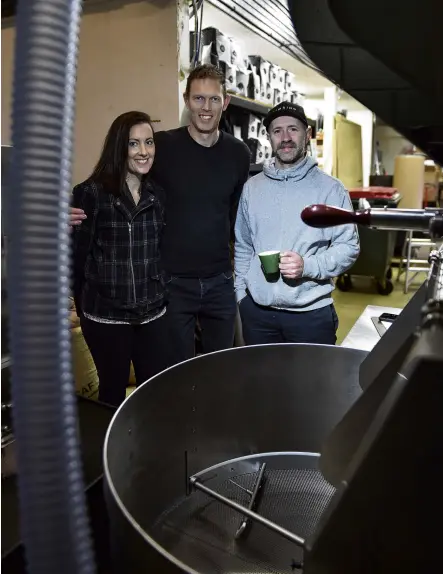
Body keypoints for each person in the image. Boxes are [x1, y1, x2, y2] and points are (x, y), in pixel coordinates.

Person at [234, 101, 359, 345]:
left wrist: (308, 266)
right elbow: (243, 244)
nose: (286, 137)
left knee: (311, 384)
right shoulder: (252, 188)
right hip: (258, 314)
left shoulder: (331, 189)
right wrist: (242, 294)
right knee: (263, 383)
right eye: (277, 131)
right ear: (269, 137)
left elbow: (349, 246)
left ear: (307, 134)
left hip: (311, 316)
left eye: (293, 129)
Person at [71, 111, 168, 407]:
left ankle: (148, 452)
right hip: (106, 316)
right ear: (119, 147)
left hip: (152, 313)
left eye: (149, 142)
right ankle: (107, 453)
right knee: (112, 394)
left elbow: (161, 251)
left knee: (152, 394)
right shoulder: (90, 193)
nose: (144, 151)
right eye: (134, 144)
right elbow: (75, 256)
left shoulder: (159, 194)